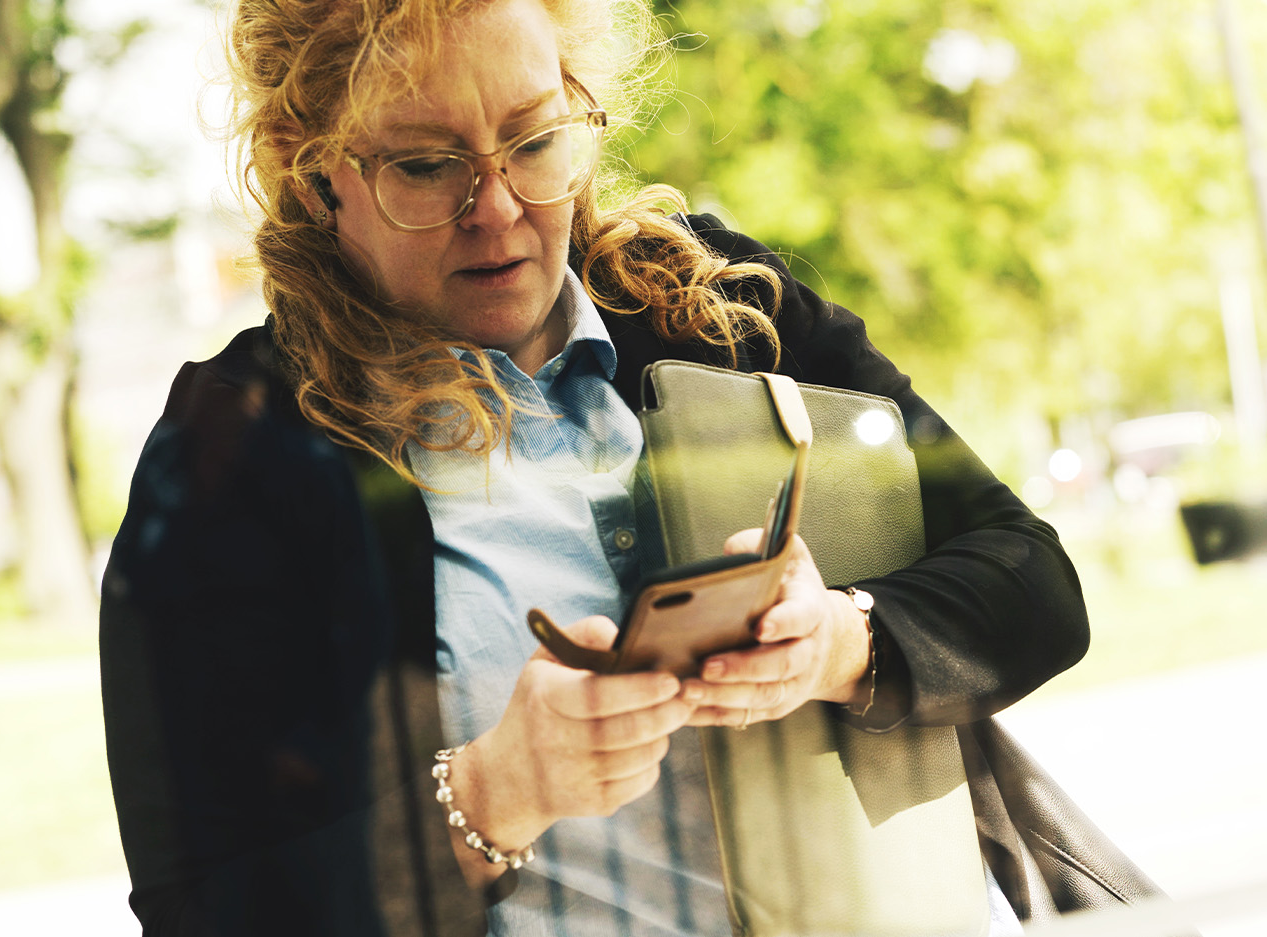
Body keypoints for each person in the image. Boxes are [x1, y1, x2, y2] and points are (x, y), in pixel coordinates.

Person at [99, 0, 1088, 934]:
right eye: (425, 166)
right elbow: (199, 907)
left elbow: (1032, 580)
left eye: (533, 141)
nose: (495, 208)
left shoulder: (726, 307)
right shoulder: (233, 450)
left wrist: (837, 639)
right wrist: (494, 792)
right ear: (318, 176)